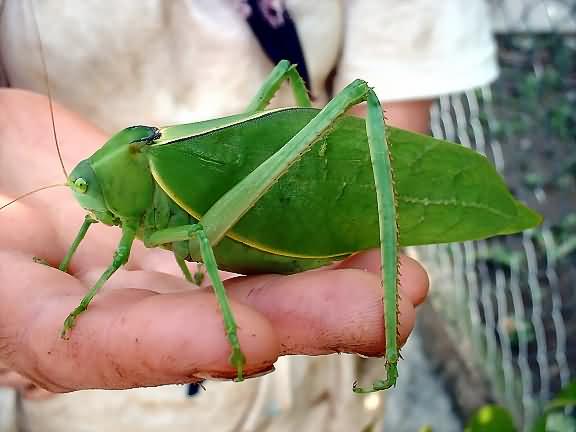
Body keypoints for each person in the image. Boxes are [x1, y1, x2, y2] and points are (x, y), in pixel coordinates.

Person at [0, 1, 496, 430]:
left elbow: (177, 237)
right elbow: (101, 228)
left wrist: (80, 305)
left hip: (308, 347)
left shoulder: (144, 172)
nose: (85, 206)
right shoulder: (117, 182)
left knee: (308, 92)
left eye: (85, 190)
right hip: (96, 410)